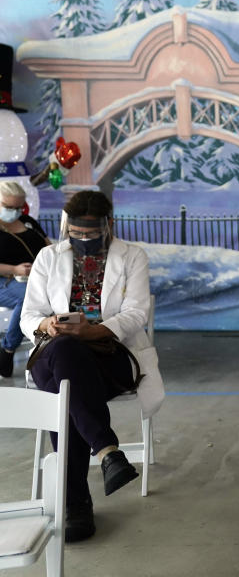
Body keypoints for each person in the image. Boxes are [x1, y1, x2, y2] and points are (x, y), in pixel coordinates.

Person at [20, 190, 156, 542]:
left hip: (109, 353)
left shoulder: (133, 257)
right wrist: (46, 325)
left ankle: (75, 502)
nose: (83, 240)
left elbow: (137, 313)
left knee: (62, 390)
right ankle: (108, 452)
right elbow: (29, 315)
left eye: (91, 234)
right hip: (55, 350)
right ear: (67, 227)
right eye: (76, 234)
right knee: (65, 350)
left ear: (108, 225)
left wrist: (93, 329)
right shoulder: (48, 257)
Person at [0, 180, 49, 377]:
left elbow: (49, 248)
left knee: (50, 296)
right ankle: (8, 350)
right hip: (5, 281)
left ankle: (49, 352)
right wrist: (15, 269)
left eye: (18, 207)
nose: (14, 211)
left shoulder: (29, 223)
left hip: (35, 280)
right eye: (8, 207)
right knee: (29, 297)